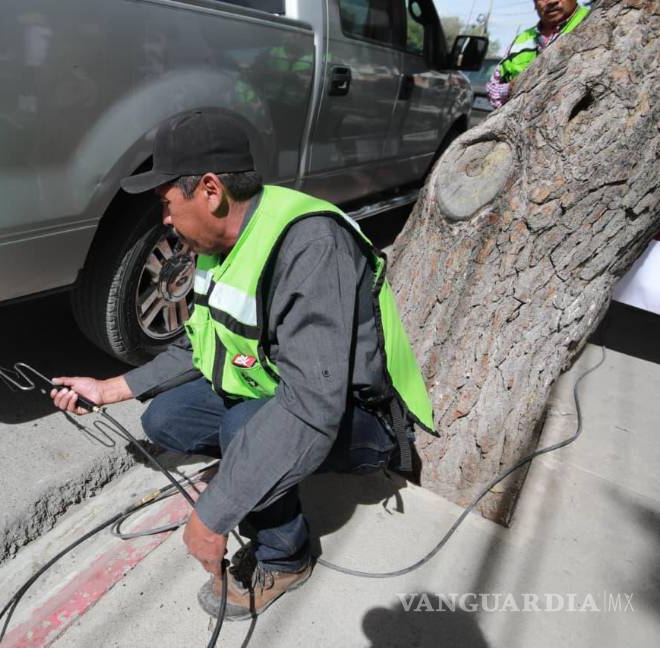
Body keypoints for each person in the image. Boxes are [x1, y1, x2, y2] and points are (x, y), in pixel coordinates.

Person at [49, 112, 435, 620]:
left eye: (166, 202)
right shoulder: (217, 242)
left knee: (243, 429)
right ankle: (254, 466)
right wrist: (109, 388)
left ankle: (286, 556)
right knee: (166, 419)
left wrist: (214, 515)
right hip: (275, 388)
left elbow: (311, 409)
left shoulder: (311, 247)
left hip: (356, 420)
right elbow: (198, 346)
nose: (164, 218)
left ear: (210, 190)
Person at [486, 0, 591, 108]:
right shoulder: (522, 39)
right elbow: (492, 88)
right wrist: (511, 88)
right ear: (534, 3)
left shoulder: (593, 20)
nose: (551, 2)